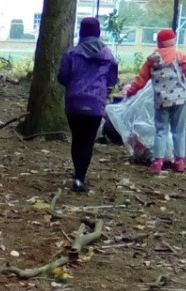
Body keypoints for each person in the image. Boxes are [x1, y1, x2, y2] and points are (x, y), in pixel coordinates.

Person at [123, 28, 186, 173]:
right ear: (173, 41)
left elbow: (141, 79)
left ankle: (157, 162)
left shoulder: (152, 60)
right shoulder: (180, 56)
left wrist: (131, 91)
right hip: (180, 100)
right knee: (179, 131)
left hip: (161, 101)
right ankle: (179, 162)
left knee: (161, 130)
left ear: (158, 42)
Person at [57, 17, 119, 192]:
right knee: (88, 141)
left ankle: (77, 172)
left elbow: (62, 77)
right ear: (98, 32)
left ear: (81, 32)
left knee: (77, 139)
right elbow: (112, 79)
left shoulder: (71, 53)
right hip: (95, 104)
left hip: (74, 103)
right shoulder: (108, 55)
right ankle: (80, 177)